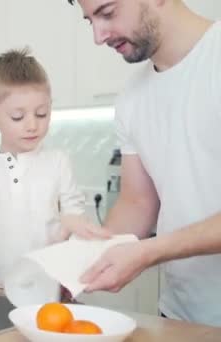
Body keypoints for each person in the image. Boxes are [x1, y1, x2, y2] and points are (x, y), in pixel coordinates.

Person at [69, 0, 221, 326]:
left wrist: (151, 251)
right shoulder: (132, 98)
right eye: (89, 21)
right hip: (181, 315)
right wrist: (78, 264)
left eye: (107, 13)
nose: (98, 35)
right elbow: (137, 202)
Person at [0, 48, 109, 301]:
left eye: (42, 114)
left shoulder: (58, 163)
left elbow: (73, 215)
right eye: (18, 116)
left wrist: (74, 223)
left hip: (50, 293)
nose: (32, 125)